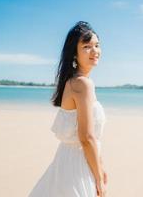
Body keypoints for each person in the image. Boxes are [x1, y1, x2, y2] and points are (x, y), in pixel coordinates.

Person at [29, 21, 107, 197]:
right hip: (77, 166)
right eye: (87, 46)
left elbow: (91, 137)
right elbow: (86, 137)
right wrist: (99, 178)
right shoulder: (82, 84)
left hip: (68, 161)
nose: (95, 51)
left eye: (97, 45)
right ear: (74, 53)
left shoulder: (73, 82)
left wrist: (100, 167)